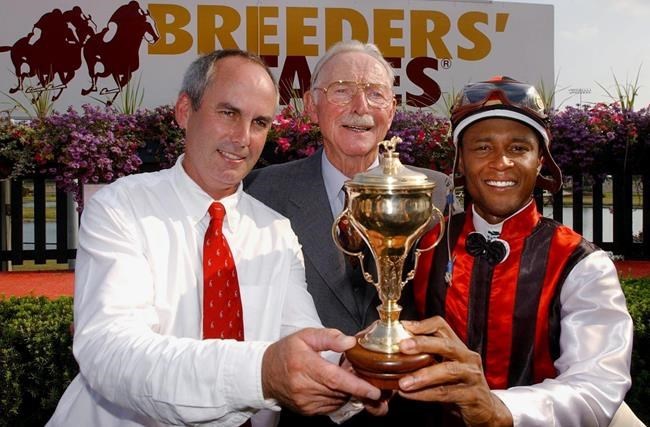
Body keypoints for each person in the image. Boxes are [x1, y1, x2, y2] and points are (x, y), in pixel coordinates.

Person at [47, 49, 383, 426]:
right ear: (184, 111)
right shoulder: (121, 208)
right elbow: (111, 353)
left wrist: (348, 369)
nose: (243, 137)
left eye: (259, 122)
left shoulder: (274, 230)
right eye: (228, 113)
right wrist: (259, 373)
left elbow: (300, 336)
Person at [398, 76, 633, 426]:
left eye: (519, 148)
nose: (500, 162)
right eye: (482, 147)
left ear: (540, 161)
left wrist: (500, 410)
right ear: (460, 162)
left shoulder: (582, 264)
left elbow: (596, 386)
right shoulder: (423, 245)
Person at [245, 40, 455, 426]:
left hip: (412, 411)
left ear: (392, 110)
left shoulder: (437, 193)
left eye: (376, 94)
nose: (360, 108)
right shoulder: (263, 192)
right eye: (342, 90)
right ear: (310, 105)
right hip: (306, 414)